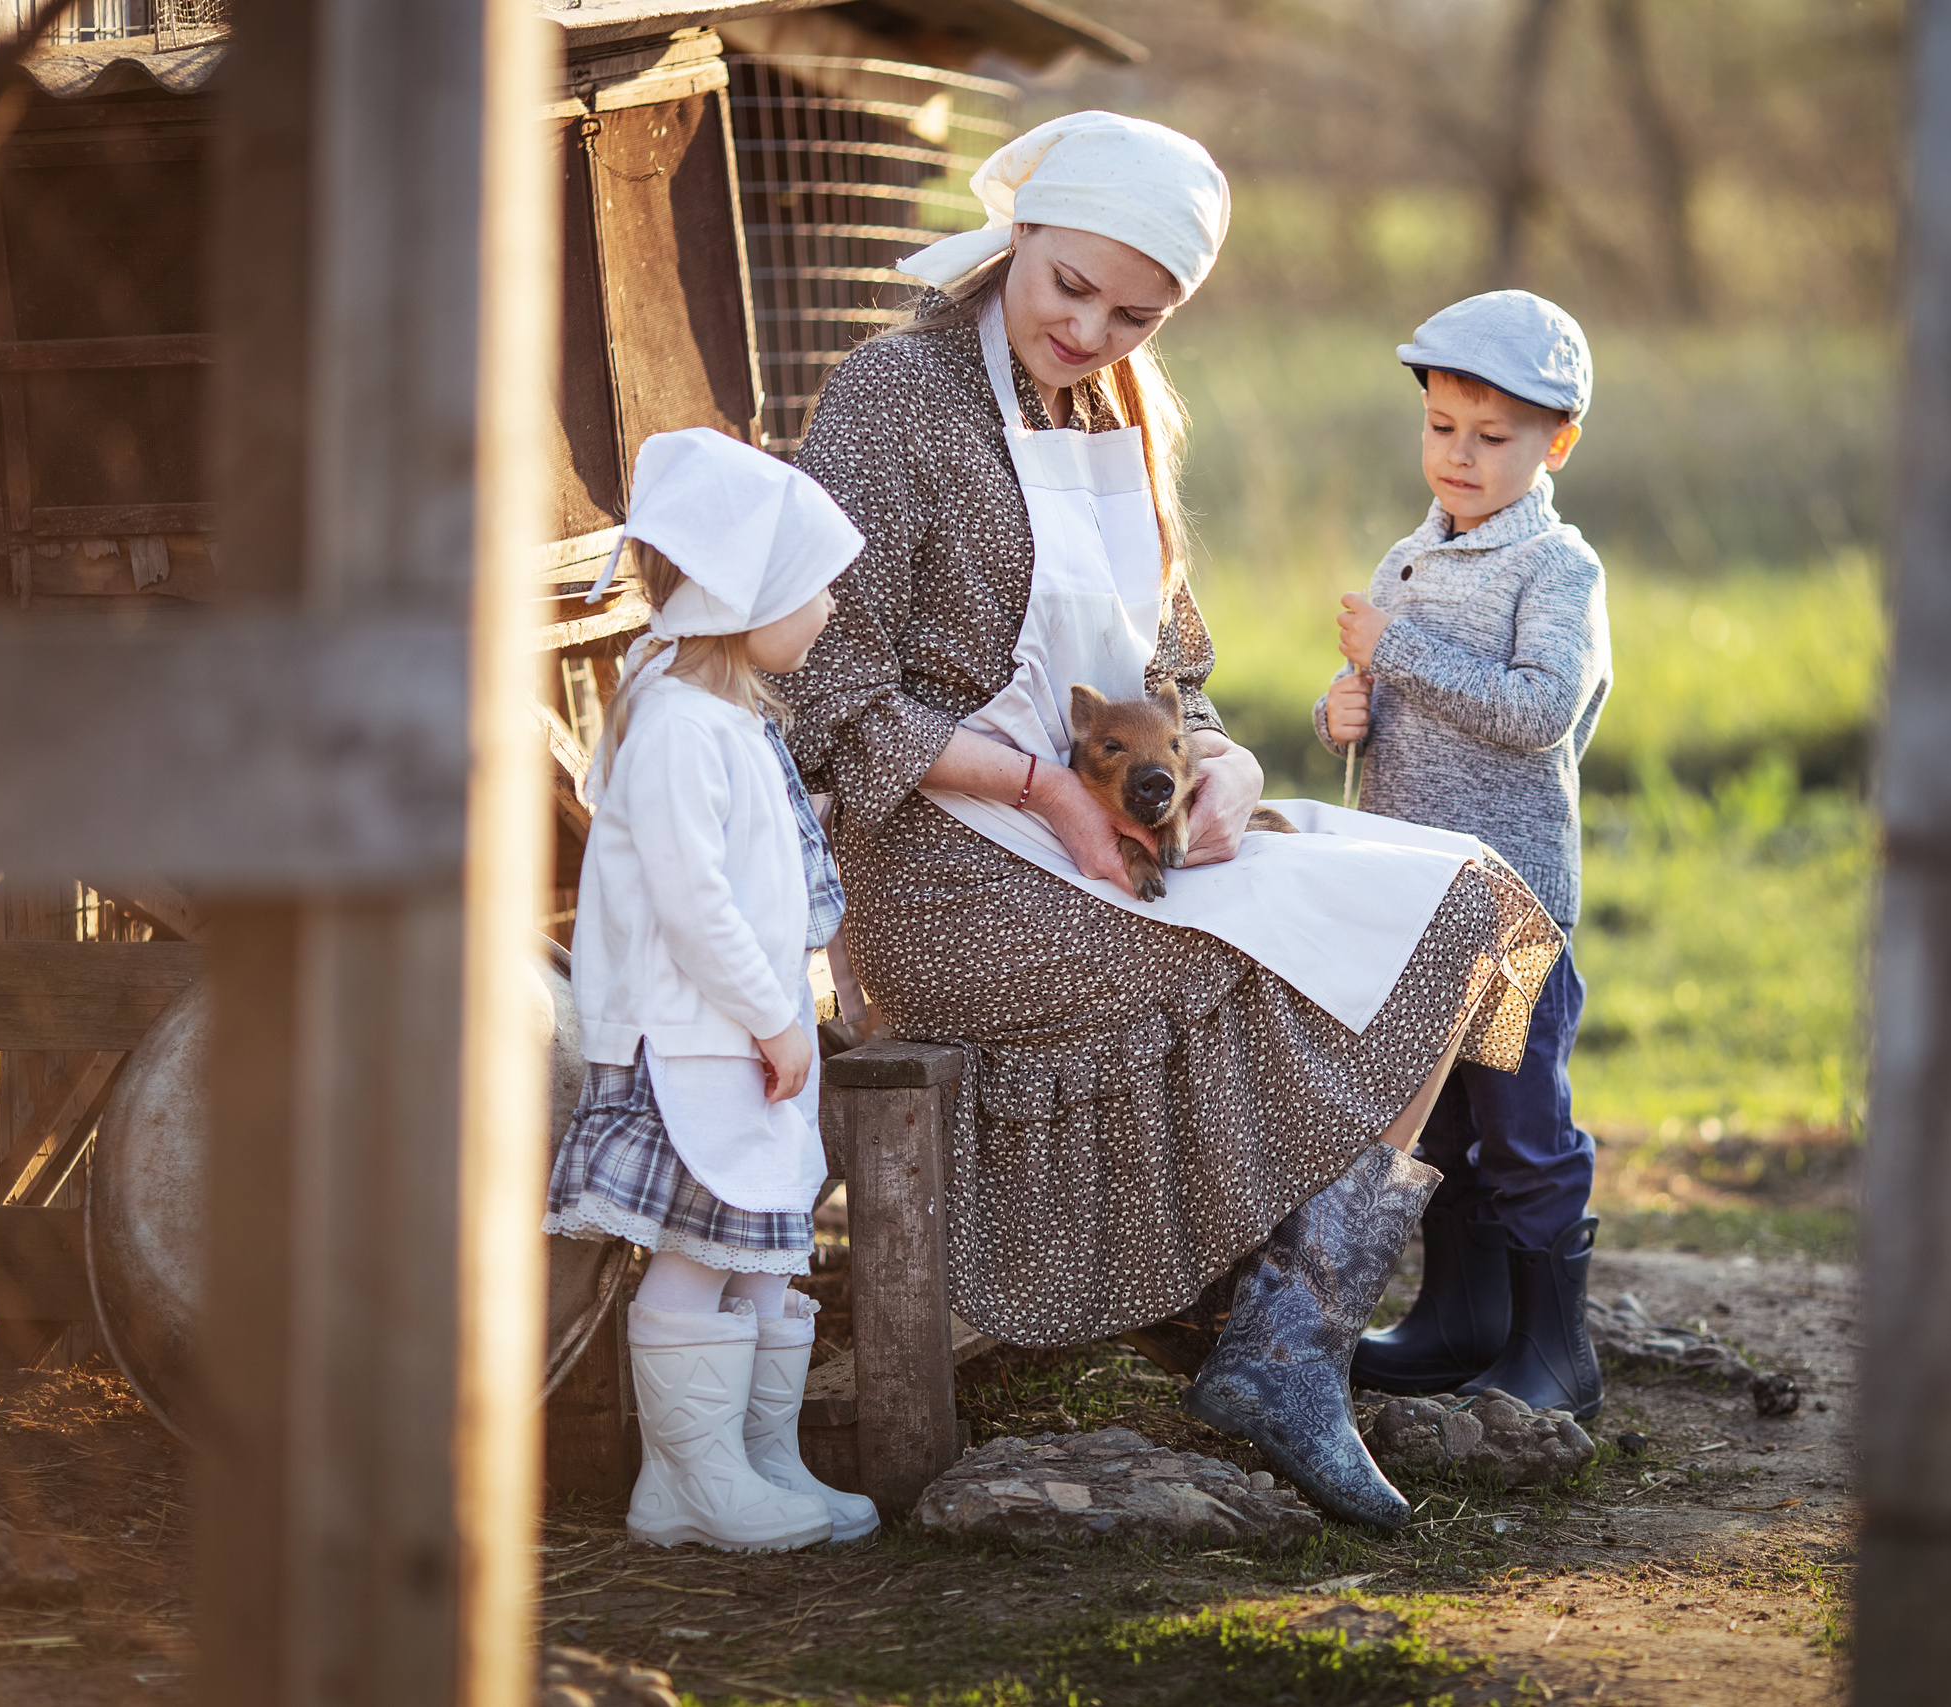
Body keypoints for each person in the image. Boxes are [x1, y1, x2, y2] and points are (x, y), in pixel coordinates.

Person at [784, 112, 1563, 1529]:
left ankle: (1291, 1331)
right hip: (939, 867)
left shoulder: (1129, 413)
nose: (1092, 330)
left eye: (1137, 313)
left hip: (1106, 820)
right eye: (1069, 285)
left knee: (1459, 900)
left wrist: (1222, 773)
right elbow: (829, 691)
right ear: (1017, 235)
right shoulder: (894, 399)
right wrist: (1039, 793)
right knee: (1260, 960)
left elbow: (1166, 676)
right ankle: (1254, 1319)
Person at [546, 427, 878, 1551]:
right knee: (698, 1256)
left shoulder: (726, 717)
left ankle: (748, 1467)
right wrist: (778, 1015)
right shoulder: (682, 727)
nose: (831, 607)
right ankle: (691, 1484)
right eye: (813, 588)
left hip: (743, 1035)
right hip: (698, 1036)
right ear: (743, 595)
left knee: (762, 1257)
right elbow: (695, 906)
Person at [1318, 292, 1613, 1420]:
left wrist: (1400, 650)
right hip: (1417, 900)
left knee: (1520, 1121)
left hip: (1507, 911)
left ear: (1556, 445)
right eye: (1444, 428)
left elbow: (1537, 710)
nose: (1462, 456)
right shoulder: (1411, 553)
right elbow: (1398, 695)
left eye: (1494, 439)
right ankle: (1461, 1319)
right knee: (1440, 1115)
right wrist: (1343, 707)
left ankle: (1555, 1352)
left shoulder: (1557, 572)